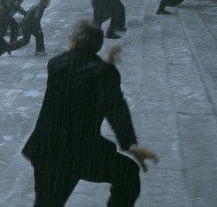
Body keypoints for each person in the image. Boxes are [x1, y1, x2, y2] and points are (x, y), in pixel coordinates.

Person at [22, 21, 158, 206]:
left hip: (48, 150)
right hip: (82, 154)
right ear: (98, 46)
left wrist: (106, 67)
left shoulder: (55, 65)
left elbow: (81, 75)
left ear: (74, 42)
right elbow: (115, 107)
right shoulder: (105, 73)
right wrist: (130, 144)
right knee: (128, 175)